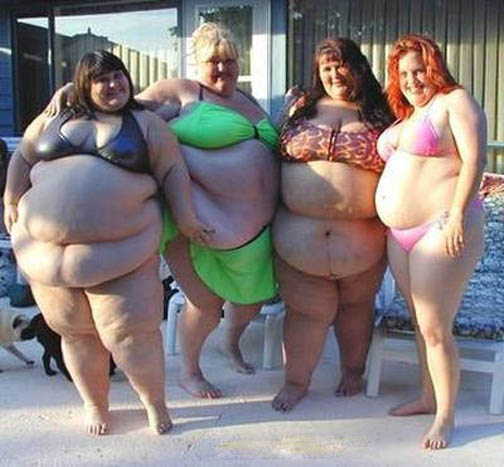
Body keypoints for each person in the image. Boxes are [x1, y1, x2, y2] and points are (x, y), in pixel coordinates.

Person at [4, 50, 211, 435]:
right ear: (84, 84)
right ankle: (95, 405)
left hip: (122, 253)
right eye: (101, 79)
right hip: (44, 256)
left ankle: (154, 403)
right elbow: (24, 157)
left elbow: (172, 170)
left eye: (118, 76)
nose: (114, 84)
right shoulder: (56, 115)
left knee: (133, 336)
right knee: (75, 334)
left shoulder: (146, 123)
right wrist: (11, 198)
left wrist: (186, 218)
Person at [135, 22, 279, 397]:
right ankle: (190, 371)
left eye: (229, 60)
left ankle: (230, 342)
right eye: (213, 61)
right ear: (197, 63)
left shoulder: (249, 101)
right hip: (194, 223)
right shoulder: (182, 91)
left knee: (253, 297)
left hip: (254, 229)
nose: (222, 69)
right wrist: (76, 92)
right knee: (206, 303)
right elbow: (125, 110)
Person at [375, 34, 487, 449]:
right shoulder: (409, 115)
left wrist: (457, 215)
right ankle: (427, 397)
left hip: (441, 225)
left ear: (435, 67)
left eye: (419, 70)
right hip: (400, 235)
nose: (412, 80)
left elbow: (475, 160)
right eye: (403, 74)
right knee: (420, 323)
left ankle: (445, 417)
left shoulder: (455, 101)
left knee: (435, 326)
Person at [272, 37, 393, 412]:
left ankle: (353, 372)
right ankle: (295, 382)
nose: (334, 74)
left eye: (341, 65)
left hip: (363, 247)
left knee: (356, 310)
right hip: (298, 246)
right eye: (326, 67)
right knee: (304, 314)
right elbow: (267, 152)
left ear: (358, 67)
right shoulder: (300, 109)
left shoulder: (383, 112)